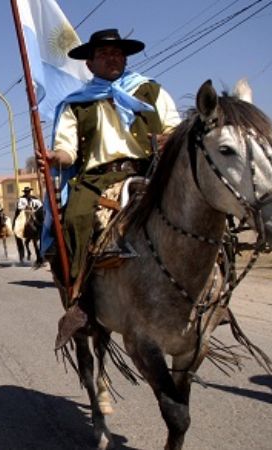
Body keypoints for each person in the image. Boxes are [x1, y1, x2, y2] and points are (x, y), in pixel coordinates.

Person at [41, 29, 181, 337]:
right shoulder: (74, 104)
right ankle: (79, 301)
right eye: (104, 54)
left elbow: (177, 130)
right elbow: (68, 151)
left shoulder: (151, 91)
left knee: (196, 203)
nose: (112, 58)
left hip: (152, 169)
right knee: (74, 220)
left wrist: (166, 139)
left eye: (117, 52)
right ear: (89, 64)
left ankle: (213, 290)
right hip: (98, 177)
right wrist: (54, 157)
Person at [14, 187, 43, 264]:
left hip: (34, 212)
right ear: (24, 192)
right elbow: (19, 207)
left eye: (28, 191)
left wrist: (35, 209)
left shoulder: (34, 199)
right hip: (24, 213)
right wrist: (26, 207)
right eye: (26, 192)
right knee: (20, 223)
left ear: (30, 192)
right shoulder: (21, 199)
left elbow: (40, 205)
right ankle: (19, 232)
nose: (27, 193)